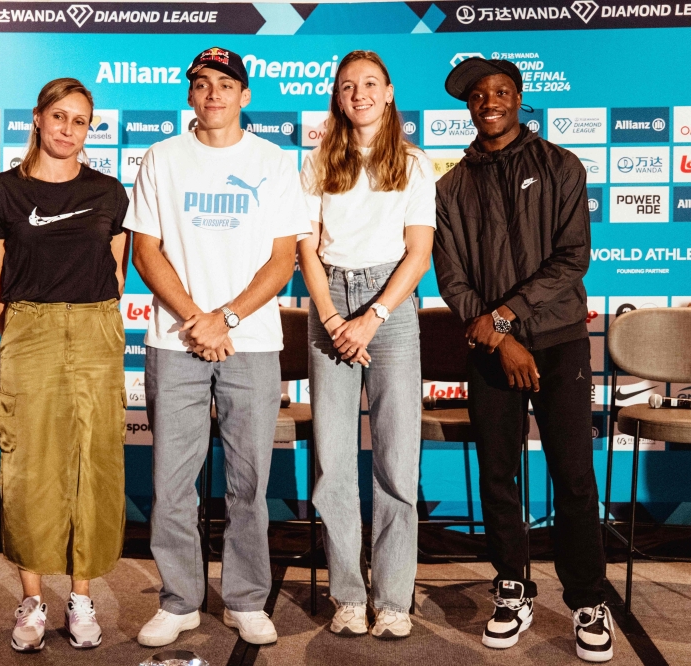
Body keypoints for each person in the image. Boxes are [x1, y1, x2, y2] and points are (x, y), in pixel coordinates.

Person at [124, 46, 311, 647]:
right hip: (174, 341)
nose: (213, 95)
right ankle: (179, 599)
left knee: (249, 480)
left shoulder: (274, 162)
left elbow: (284, 258)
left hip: (251, 342)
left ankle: (245, 599)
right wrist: (195, 318)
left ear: (244, 95)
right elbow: (144, 251)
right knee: (173, 481)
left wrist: (225, 317)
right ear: (189, 95)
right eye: (201, 84)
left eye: (225, 85)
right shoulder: (161, 158)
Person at [433, 58, 614, 662]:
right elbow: (452, 278)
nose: (491, 102)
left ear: (519, 99)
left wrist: (508, 318)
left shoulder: (562, 165)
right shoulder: (450, 186)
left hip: (559, 340)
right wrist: (499, 338)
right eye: (480, 95)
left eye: (502, 92)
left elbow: (571, 260)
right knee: (498, 474)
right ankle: (513, 587)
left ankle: (588, 597)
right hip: (490, 350)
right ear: (469, 106)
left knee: (573, 473)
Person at [0, 78, 130, 652]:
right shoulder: (0, 193)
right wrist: (27, 330)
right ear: (37, 118)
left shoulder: (110, 192)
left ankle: (81, 598)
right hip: (31, 331)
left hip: (95, 329)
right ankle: (33, 600)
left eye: (80, 121)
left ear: (90, 129)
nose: (68, 129)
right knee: (30, 464)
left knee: (93, 461)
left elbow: (116, 276)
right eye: (59, 116)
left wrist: (85, 320)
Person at [297, 50, 435, 639]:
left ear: (389, 91)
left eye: (370, 84)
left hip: (391, 305)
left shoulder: (412, 161)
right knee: (333, 463)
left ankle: (395, 599)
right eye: (348, 85)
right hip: (329, 300)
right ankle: (349, 595)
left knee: (396, 461)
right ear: (337, 94)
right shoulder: (317, 160)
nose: (359, 93)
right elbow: (307, 244)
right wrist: (332, 319)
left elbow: (419, 251)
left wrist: (373, 316)